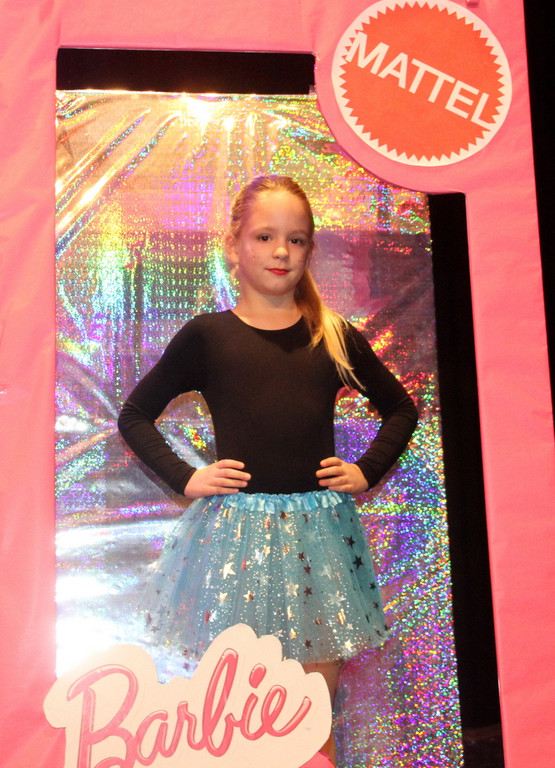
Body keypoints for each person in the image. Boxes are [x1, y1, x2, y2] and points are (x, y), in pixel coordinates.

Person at [118, 175, 418, 765]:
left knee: (311, 709)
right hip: (237, 543)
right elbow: (135, 415)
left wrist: (367, 470)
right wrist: (186, 478)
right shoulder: (207, 336)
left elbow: (401, 408)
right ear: (234, 245)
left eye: (296, 240)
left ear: (309, 250)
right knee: (241, 707)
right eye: (264, 236)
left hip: (319, 542)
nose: (281, 251)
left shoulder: (333, 336)